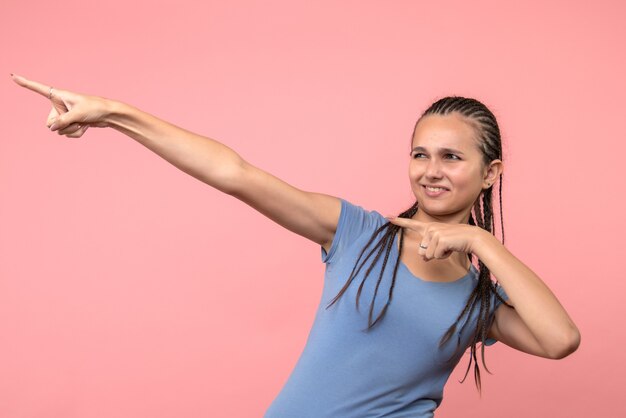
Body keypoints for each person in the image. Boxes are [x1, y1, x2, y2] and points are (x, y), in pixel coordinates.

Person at [11, 73, 581, 417]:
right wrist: (113, 113)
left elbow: (560, 341)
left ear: (490, 172)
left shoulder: (478, 302)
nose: (430, 171)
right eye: (420, 153)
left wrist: (480, 240)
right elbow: (234, 172)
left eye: (452, 157)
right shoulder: (359, 233)